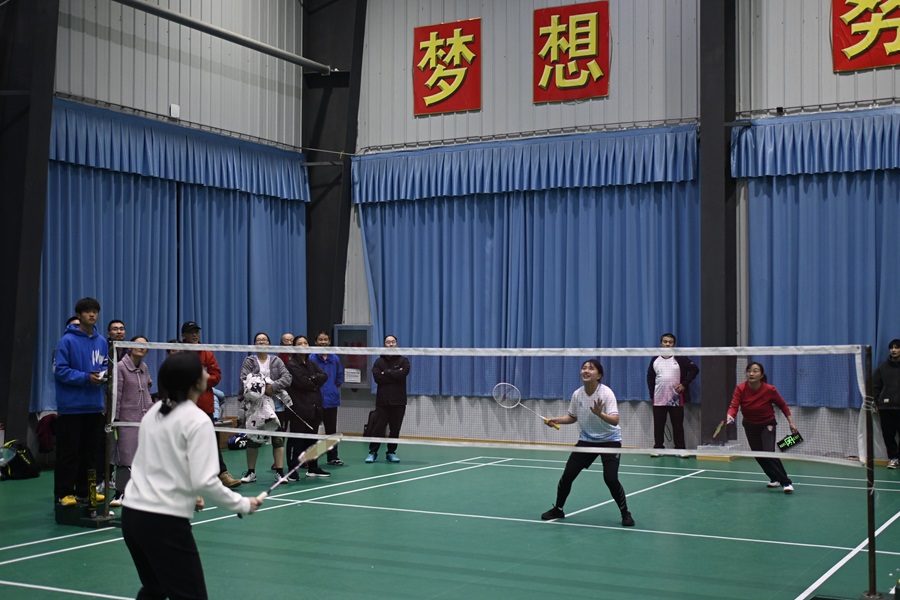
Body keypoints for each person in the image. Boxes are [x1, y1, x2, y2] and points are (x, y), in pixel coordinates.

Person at [121, 351, 262, 599]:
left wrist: (188, 493)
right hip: (163, 522)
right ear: (196, 382)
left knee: (155, 589)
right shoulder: (198, 420)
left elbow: (154, 462)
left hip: (132, 516)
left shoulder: (155, 411)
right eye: (203, 371)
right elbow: (205, 481)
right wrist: (242, 504)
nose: (208, 374)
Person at [540, 359, 635, 527]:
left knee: (611, 479)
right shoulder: (577, 394)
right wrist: (557, 420)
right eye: (584, 368)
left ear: (599, 375)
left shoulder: (606, 393)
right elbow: (572, 417)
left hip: (610, 440)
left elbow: (615, 420)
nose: (586, 371)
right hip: (587, 440)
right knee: (567, 476)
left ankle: (625, 512)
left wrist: (600, 414)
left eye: (591, 368)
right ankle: (558, 509)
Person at [53, 297, 109, 506]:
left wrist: (104, 376)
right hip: (72, 408)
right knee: (69, 453)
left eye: (95, 311)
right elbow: (60, 371)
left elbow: (105, 366)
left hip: (94, 406)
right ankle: (64, 493)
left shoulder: (102, 342)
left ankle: (86, 492)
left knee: (90, 453)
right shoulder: (66, 341)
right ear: (79, 315)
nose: (92, 314)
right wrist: (86, 378)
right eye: (87, 311)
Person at [181, 321, 241, 488]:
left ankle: (222, 473)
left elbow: (216, 375)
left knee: (211, 441)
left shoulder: (207, 353)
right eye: (190, 332)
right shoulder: (179, 353)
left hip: (205, 405)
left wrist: (201, 381)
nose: (194, 335)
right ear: (184, 336)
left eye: (196, 332)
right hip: (184, 406)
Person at [726, 362, 798, 493]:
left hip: (767, 424)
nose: (751, 373)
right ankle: (774, 478)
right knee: (758, 455)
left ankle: (786, 482)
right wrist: (730, 415)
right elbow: (734, 406)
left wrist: (791, 422)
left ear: (761, 375)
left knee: (768, 453)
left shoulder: (769, 390)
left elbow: (783, 405)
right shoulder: (740, 389)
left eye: (755, 371)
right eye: (749, 371)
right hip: (750, 425)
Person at [238, 332, 291, 482]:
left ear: (269, 343)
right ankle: (251, 473)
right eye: (258, 340)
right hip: (255, 406)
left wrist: (272, 387)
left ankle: (280, 472)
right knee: (252, 440)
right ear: (255, 344)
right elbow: (244, 378)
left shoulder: (276, 361)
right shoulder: (249, 361)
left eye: (264, 340)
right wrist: (261, 388)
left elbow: (287, 377)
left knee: (278, 439)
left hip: (276, 405)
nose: (261, 342)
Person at [111, 336, 152, 507]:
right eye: (137, 344)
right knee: (125, 458)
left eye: (144, 345)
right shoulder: (120, 367)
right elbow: (117, 394)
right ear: (129, 347)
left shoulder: (144, 367)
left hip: (144, 420)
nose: (140, 347)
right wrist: (115, 419)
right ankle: (120, 494)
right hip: (126, 420)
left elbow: (147, 390)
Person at [646, 333, 699, 458]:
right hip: (659, 398)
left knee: (677, 425)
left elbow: (694, 369)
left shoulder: (680, 358)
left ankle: (680, 449)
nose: (667, 344)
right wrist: (652, 394)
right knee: (658, 425)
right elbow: (650, 377)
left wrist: (684, 384)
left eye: (670, 342)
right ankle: (658, 448)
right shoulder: (655, 359)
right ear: (661, 343)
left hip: (676, 398)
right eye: (665, 342)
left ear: (673, 344)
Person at [284, 336, 330, 478]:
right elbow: (303, 383)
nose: (303, 345)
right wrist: (314, 380)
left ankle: (313, 467)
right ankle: (292, 470)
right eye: (300, 343)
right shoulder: (292, 365)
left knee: (313, 439)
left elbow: (324, 376)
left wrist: (312, 380)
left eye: (305, 342)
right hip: (299, 409)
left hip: (315, 407)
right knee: (296, 441)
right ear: (294, 347)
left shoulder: (311, 363)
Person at [366, 335, 410, 463]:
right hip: (383, 402)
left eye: (393, 342)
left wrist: (386, 372)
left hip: (399, 401)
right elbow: (377, 378)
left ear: (397, 344)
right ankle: (373, 452)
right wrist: (394, 373)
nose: (391, 344)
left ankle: (391, 452)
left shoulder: (404, 361)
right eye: (388, 342)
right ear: (384, 345)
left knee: (395, 429)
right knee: (378, 429)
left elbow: (402, 375)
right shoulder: (379, 362)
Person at [311, 330, 345, 466]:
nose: (323, 342)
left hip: (331, 399)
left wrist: (332, 388)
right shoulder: (311, 358)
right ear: (316, 342)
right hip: (315, 400)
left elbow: (339, 377)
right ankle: (311, 459)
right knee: (312, 430)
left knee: (331, 430)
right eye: (320, 339)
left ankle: (332, 457)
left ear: (329, 342)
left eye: (325, 339)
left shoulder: (335, 358)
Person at [873, 339, 900, 469]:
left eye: (897, 347)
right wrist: (876, 402)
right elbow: (875, 387)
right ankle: (893, 458)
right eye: (891, 348)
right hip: (886, 408)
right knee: (888, 435)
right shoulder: (882, 368)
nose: (893, 350)